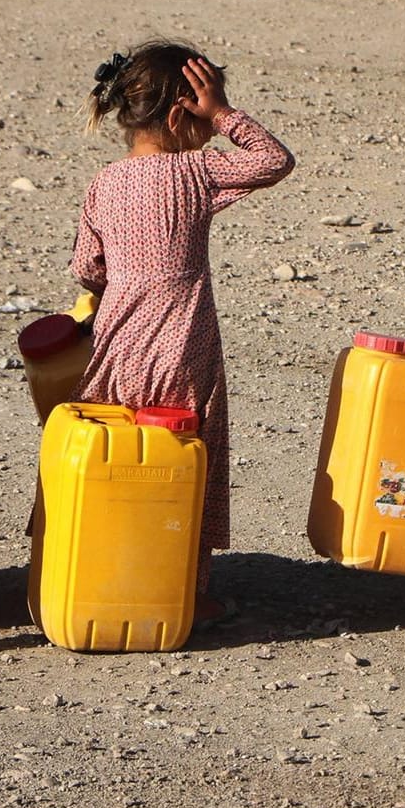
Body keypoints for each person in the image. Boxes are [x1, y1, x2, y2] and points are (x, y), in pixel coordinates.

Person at [69, 40, 294, 623]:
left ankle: (106, 572)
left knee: (114, 459)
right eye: (201, 119)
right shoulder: (194, 169)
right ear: (178, 117)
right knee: (185, 457)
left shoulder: (104, 183)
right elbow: (274, 160)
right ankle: (184, 590)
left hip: (117, 347)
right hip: (184, 345)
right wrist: (225, 113)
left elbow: (88, 269)